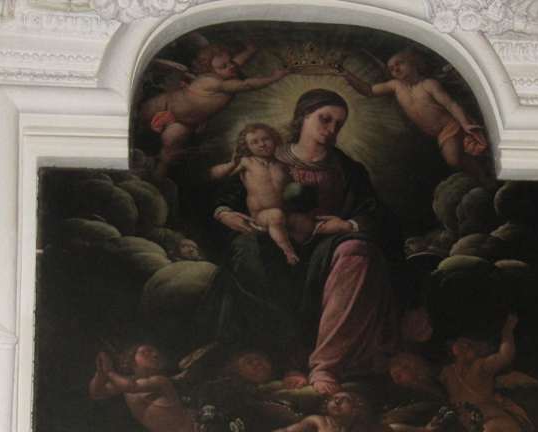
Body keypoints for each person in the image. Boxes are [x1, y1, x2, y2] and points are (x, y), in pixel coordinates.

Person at [213, 89, 401, 395]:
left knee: (358, 250)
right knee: (246, 250)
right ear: (303, 117)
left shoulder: (347, 169)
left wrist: (347, 224)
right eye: (325, 119)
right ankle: (278, 357)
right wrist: (224, 213)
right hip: (272, 242)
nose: (331, 129)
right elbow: (229, 196)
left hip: (326, 247)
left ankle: (327, 364)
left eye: (338, 124)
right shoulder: (265, 157)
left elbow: (375, 213)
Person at [340, 48, 491, 184]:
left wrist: (465, 123)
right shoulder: (396, 86)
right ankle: (481, 178)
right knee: (459, 160)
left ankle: (483, 178)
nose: (395, 69)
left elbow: (451, 104)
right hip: (439, 134)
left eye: (399, 64)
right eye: (391, 68)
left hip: (451, 126)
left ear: (413, 63)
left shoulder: (428, 84)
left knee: (453, 159)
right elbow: (369, 90)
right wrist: (346, 74)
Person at [140, 42, 290, 177]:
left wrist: (249, 51)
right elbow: (247, 85)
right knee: (140, 120)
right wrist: (274, 78)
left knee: (170, 150)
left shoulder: (225, 72)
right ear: (210, 69)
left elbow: (235, 63)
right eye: (223, 66)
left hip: (184, 123)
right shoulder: (213, 82)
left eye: (230, 62)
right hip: (165, 104)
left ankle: (158, 177)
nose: (231, 66)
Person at [210, 123, 316, 265]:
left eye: (266, 139)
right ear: (247, 147)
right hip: (261, 215)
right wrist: (231, 164)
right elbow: (214, 175)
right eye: (254, 142)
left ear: (274, 139)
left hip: (285, 212)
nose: (262, 144)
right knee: (275, 215)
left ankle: (303, 257)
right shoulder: (247, 162)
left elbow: (294, 186)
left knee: (306, 223)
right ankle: (288, 252)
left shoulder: (282, 164)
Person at [439, 314, 532, 432]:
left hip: (494, 421)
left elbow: (505, 356)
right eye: (461, 343)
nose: (465, 347)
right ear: (453, 347)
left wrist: (507, 330)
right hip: (468, 425)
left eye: (469, 344)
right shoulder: (446, 371)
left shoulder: (480, 366)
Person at [88, 344, 196, 432]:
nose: (154, 355)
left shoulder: (161, 381)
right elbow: (97, 393)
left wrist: (109, 372)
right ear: (131, 361)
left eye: (156, 355)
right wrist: (100, 373)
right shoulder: (124, 383)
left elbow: (132, 386)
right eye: (146, 352)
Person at [274, 391, 394, 432]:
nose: (337, 402)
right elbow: (287, 431)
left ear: (356, 409)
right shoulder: (318, 421)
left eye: (345, 400)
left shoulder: (363, 427)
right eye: (333, 399)